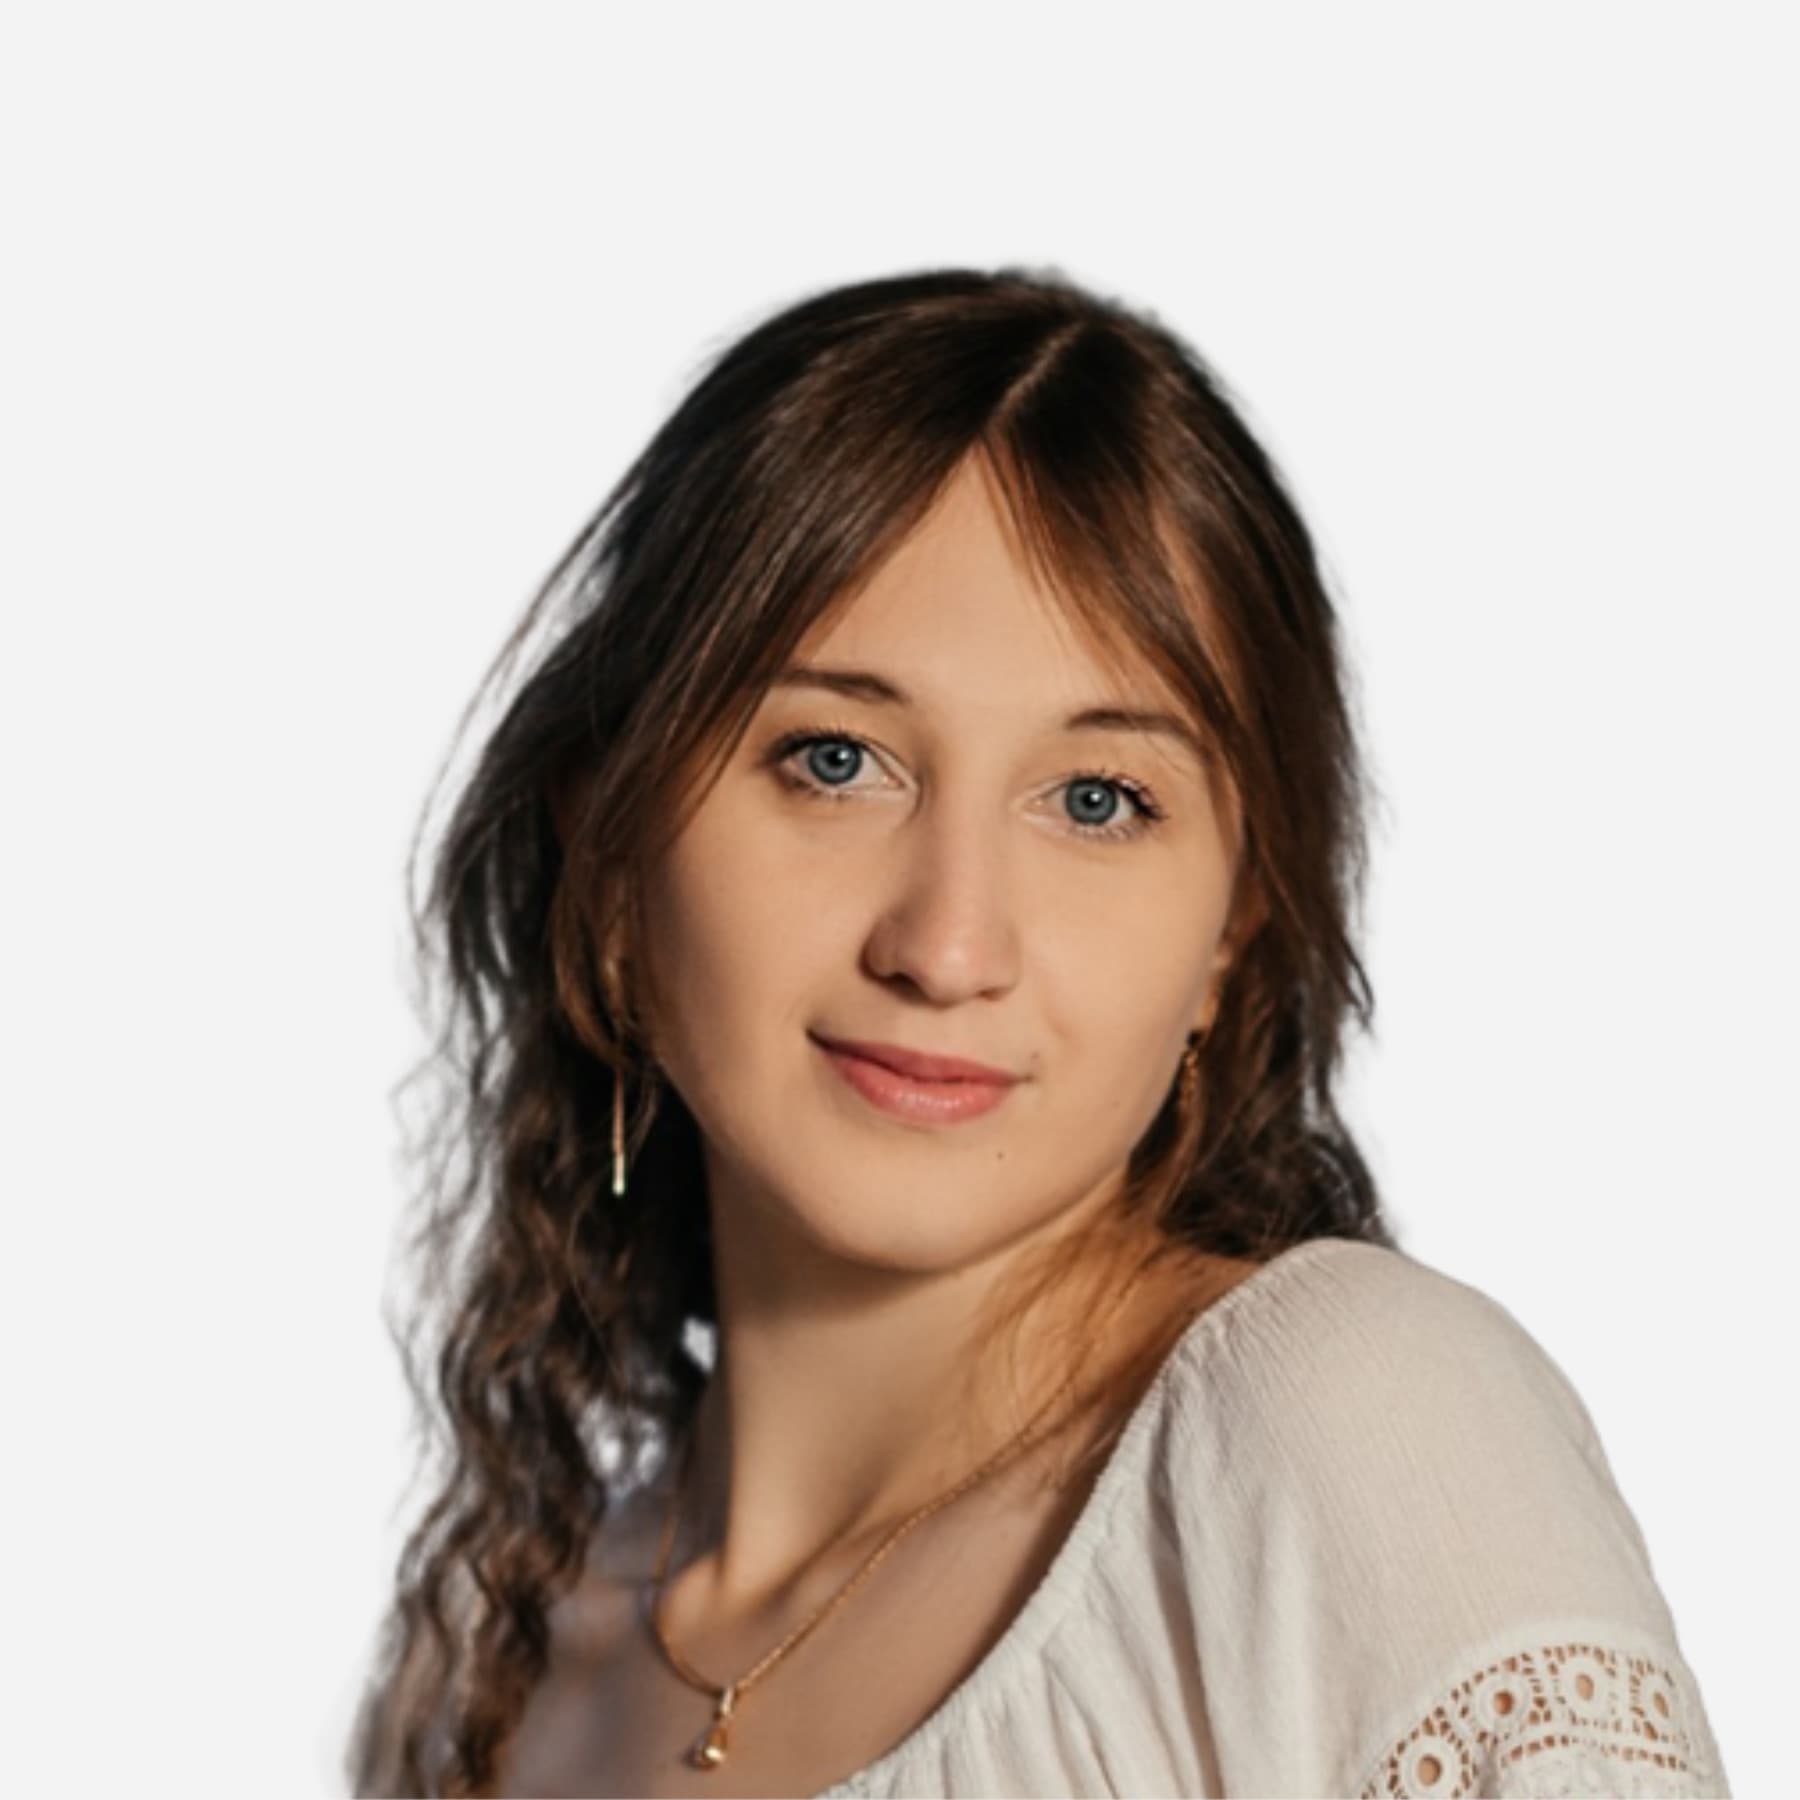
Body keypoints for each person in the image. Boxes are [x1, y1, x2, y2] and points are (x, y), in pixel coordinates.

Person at [344, 266, 1729, 1798]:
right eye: (835, 759)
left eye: (1097, 800)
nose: (948, 949)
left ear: (1230, 933)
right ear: (608, 854)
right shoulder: (476, 1678)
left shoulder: (1350, 1426)